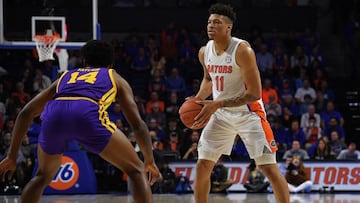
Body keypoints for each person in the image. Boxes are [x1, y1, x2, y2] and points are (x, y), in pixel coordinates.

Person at [0, 40, 161, 203]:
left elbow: (26, 112)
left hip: (54, 114)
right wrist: (149, 160)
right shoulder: (114, 77)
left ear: (84, 62)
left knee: (42, 176)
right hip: (86, 112)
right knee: (135, 170)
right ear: (111, 64)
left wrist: (11, 156)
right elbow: (138, 125)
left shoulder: (66, 76)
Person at [191, 3, 289, 203]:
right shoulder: (204, 51)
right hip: (220, 115)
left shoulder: (243, 50)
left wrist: (216, 104)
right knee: (202, 165)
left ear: (229, 27)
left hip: (249, 113)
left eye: (217, 22)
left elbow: (254, 93)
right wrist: (198, 99)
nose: (211, 26)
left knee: (268, 167)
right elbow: (209, 79)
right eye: (209, 22)